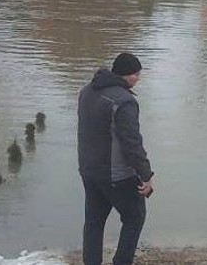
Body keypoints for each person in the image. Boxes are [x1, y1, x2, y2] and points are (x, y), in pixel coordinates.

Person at [78, 53, 154, 265]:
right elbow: (132, 143)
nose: (138, 78)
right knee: (134, 218)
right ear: (125, 74)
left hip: (89, 171)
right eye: (136, 74)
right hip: (117, 176)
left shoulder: (86, 92)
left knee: (94, 222)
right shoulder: (124, 101)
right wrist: (146, 175)